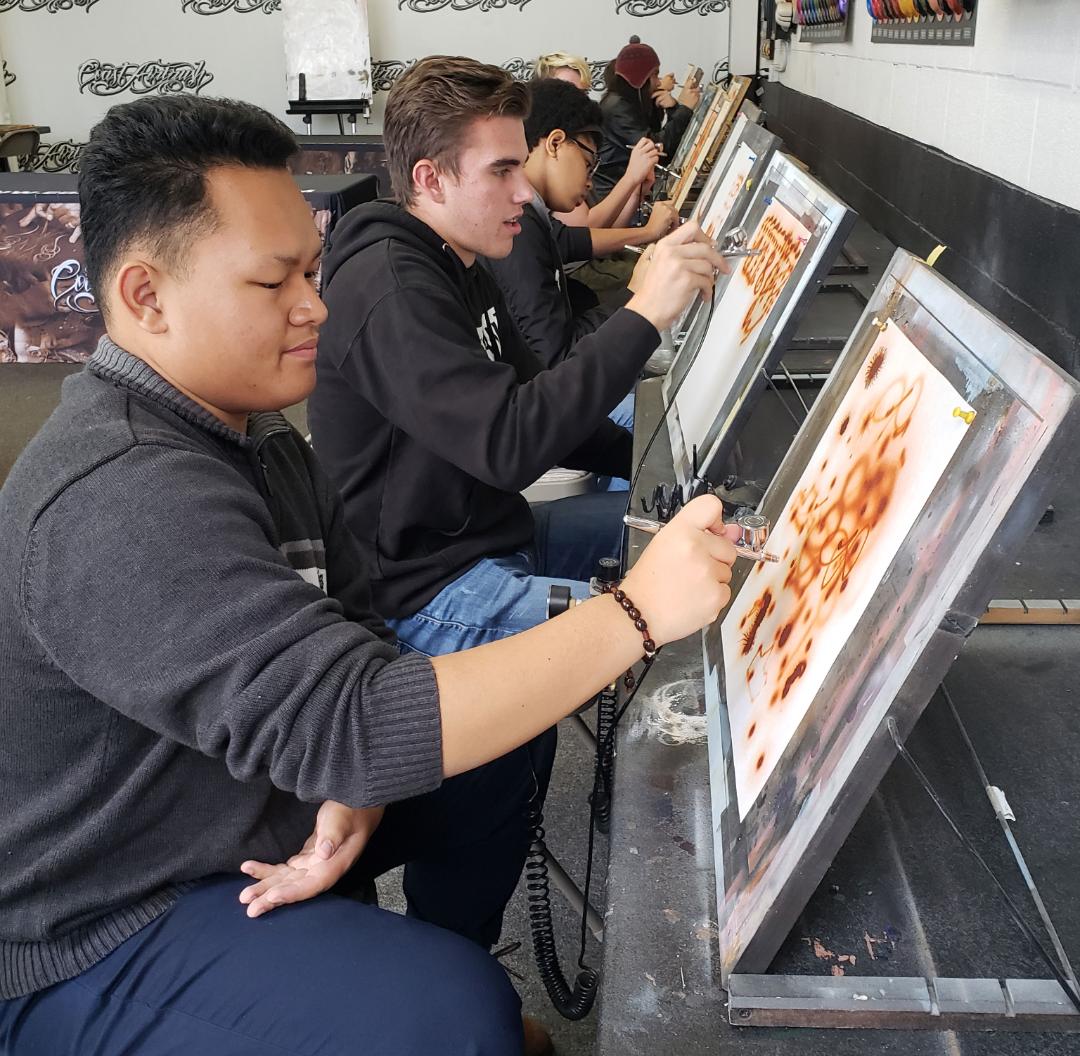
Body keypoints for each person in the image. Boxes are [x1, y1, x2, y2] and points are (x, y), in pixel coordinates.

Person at [0, 92, 740, 1056]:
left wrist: (353, 788)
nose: (316, 305)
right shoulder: (119, 496)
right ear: (146, 296)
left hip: (236, 809)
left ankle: (391, 968)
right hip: (102, 918)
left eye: (311, 270)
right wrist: (635, 614)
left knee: (494, 758)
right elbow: (349, 717)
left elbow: (357, 637)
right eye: (277, 284)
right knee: (452, 1013)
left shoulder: (255, 436)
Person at [308, 55, 728, 659]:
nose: (525, 190)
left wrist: (659, 472)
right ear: (430, 180)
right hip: (428, 588)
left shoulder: (461, 259)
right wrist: (643, 312)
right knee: (677, 620)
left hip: (495, 533)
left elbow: (540, 401)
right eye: (502, 170)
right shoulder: (391, 287)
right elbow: (510, 446)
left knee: (703, 534)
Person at [483, 77, 677, 388]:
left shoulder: (533, 218)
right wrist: (636, 296)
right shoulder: (518, 227)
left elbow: (575, 240)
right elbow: (556, 362)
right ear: (555, 144)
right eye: (588, 163)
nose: (589, 183)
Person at [594, 38, 701, 202]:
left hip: (627, 192)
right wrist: (684, 110)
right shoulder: (616, 108)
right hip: (612, 196)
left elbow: (655, 133)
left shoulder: (624, 102)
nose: (659, 82)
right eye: (655, 75)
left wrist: (671, 106)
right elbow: (658, 150)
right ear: (640, 79)